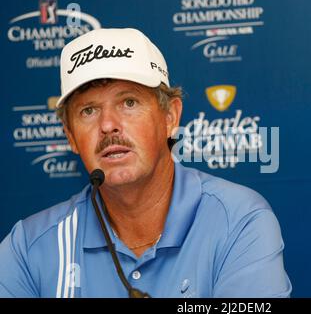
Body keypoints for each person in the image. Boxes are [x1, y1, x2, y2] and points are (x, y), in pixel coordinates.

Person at [0, 28, 291, 298]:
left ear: (170, 117)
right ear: (71, 137)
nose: (108, 125)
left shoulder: (238, 221)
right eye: (88, 111)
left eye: (129, 103)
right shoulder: (28, 248)